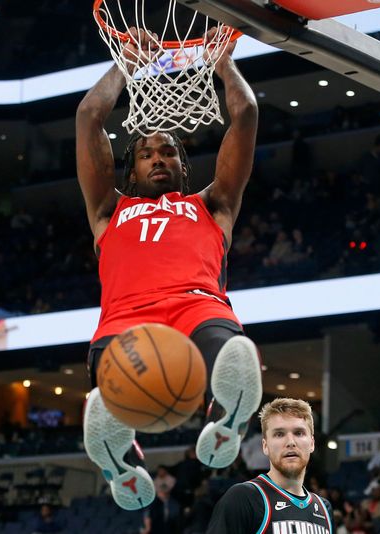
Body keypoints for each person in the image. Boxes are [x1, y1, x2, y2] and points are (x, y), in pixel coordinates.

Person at [77, 26, 261, 510]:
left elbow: (244, 115)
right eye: (145, 153)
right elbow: (89, 117)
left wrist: (222, 61)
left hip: (196, 306)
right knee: (109, 398)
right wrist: (127, 63)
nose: (158, 158)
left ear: (184, 167)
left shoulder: (213, 203)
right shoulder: (106, 211)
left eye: (168, 152)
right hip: (124, 318)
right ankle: (122, 462)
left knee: (230, 353)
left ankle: (226, 421)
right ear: (130, 170)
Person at [206, 398, 333, 533]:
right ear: (265, 446)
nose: (290, 442)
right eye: (279, 434)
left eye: (299, 433)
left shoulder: (324, 509)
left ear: (312, 444)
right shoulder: (243, 498)